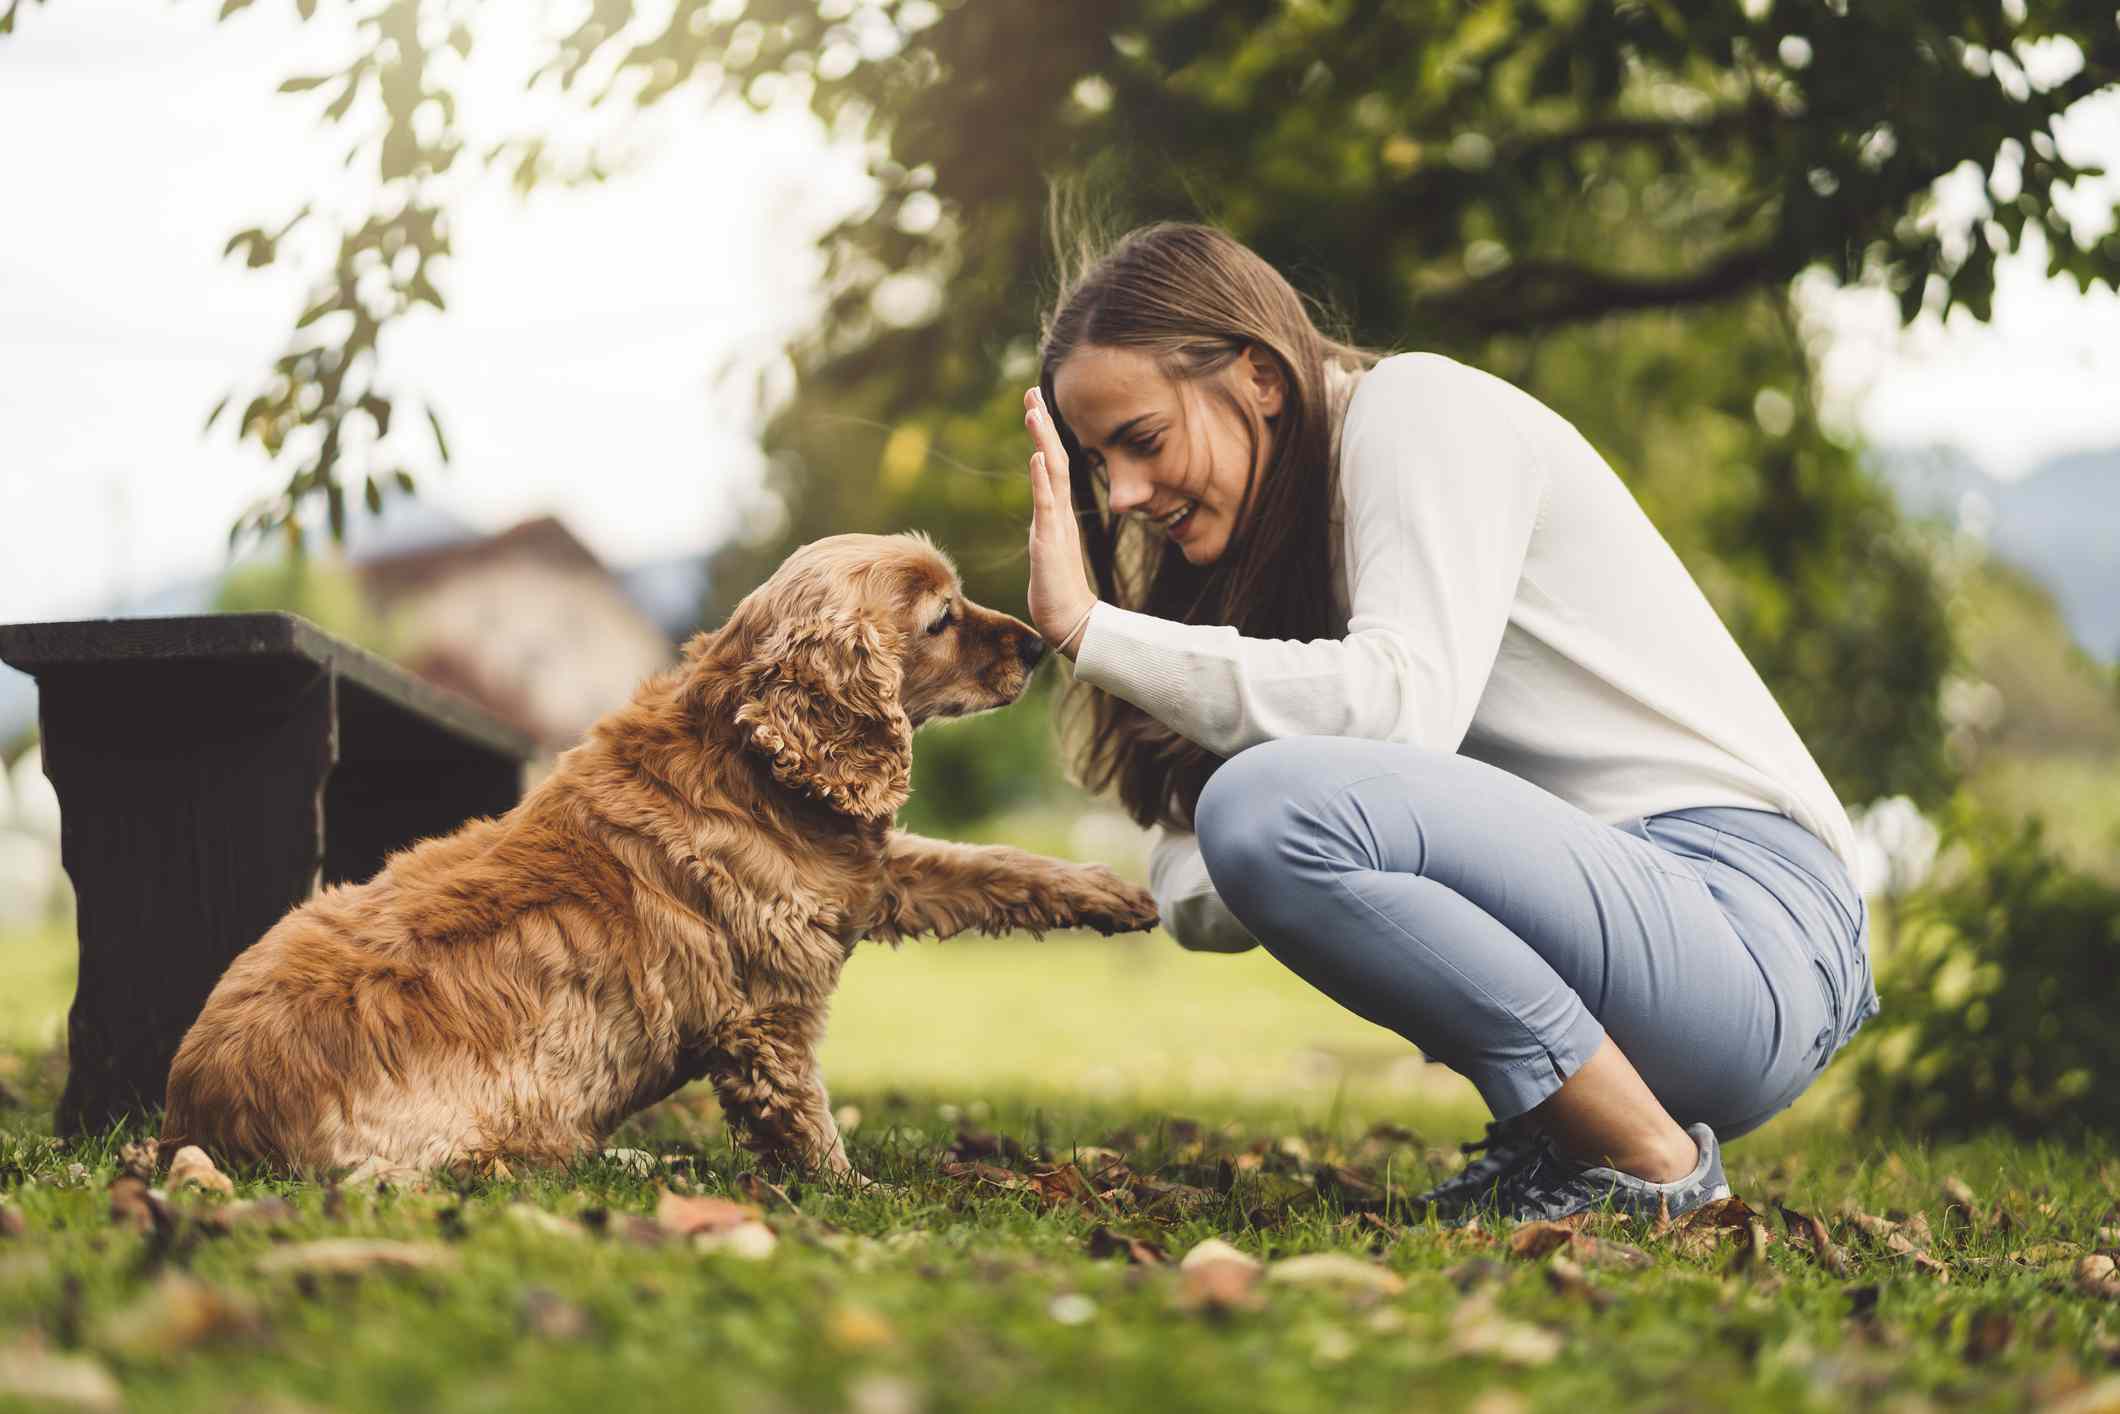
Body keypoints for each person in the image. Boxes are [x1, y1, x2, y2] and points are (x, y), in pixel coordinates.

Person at [1017, 221, 1881, 1223]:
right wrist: (1268, 840)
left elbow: (1398, 709)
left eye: (1143, 440)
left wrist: (1092, 631)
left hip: (1747, 925)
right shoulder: (1280, 562)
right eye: (1098, 463)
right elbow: (1191, 865)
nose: (1121, 494)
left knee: (1264, 804)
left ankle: (1648, 1167)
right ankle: (1569, 1141)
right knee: (1258, 811)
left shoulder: (1415, 410)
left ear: (1256, 375)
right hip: (1649, 955)